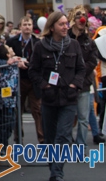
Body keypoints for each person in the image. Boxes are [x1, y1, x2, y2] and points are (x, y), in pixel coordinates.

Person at [28, 11, 85, 181]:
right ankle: (54, 168)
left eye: (66, 23)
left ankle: (57, 173)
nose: (66, 27)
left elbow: (81, 69)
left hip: (69, 97)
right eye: (61, 24)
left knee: (63, 135)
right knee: (50, 138)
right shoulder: (40, 46)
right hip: (49, 98)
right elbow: (33, 70)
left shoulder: (73, 45)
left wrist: (75, 83)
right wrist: (44, 85)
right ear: (51, 27)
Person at [6, 16, 43, 143]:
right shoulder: (12, 41)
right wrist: (16, 61)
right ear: (20, 27)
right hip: (18, 79)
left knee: (37, 110)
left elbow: (40, 60)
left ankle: (42, 139)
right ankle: (18, 138)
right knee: (18, 110)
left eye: (29, 24)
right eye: (25, 24)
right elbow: (7, 57)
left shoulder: (37, 42)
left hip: (33, 79)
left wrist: (28, 64)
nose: (27, 27)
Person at [68, 5, 100, 145]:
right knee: (67, 118)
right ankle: (67, 142)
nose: (82, 19)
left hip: (83, 84)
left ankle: (80, 146)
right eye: (79, 16)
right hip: (67, 84)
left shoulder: (89, 42)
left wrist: (79, 75)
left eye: (84, 17)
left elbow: (92, 61)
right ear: (73, 20)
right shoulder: (65, 39)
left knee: (83, 119)